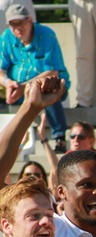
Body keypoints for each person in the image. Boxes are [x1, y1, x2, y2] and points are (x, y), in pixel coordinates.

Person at [0, 4, 69, 151]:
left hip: (46, 86)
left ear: (30, 20)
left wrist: (25, 86)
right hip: (15, 88)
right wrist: (8, 84)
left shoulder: (47, 35)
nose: (18, 28)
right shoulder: (6, 37)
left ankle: (59, 137)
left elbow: (53, 72)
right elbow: (0, 70)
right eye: (13, 24)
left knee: (47, 88)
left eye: (21, 22)